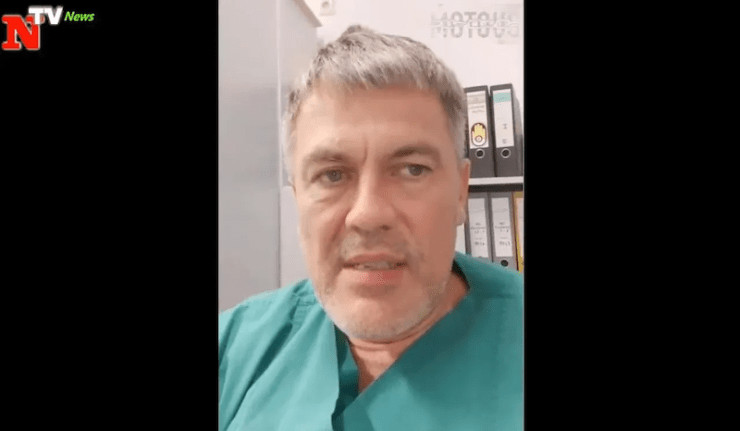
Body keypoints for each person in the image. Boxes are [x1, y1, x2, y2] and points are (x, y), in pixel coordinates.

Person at [218, 24, 523, 431]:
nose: (368, 214)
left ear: (461, 192)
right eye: (332, 175)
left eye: (412, 169)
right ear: (297, 199)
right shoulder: (234, 348)